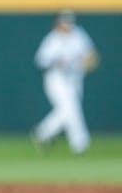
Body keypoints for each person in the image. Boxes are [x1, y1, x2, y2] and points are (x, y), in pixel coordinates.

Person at [31, 10, 99, 155]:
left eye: (69, 22)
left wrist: (87, 64)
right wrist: (56, 63)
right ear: (58, 23)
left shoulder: (78, 34)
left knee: (67, 110)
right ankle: (80, 144)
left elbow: (91, 55)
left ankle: (43, 132)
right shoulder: (52, 40)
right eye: (64, 22)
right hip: (56, 79)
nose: (67, 26)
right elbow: (40, 62)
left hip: (75, 78)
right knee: (71, 108)